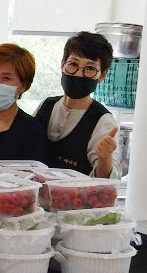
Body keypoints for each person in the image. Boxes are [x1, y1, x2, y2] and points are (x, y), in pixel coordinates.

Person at [34, 32, 121, 178]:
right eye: (73, 64)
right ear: (63, 64)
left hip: (75, 199)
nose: (79, 74)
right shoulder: (46, 106)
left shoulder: (102, 120)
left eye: (90, 68)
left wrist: (105, 158)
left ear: (102, 75)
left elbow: (104, 184)